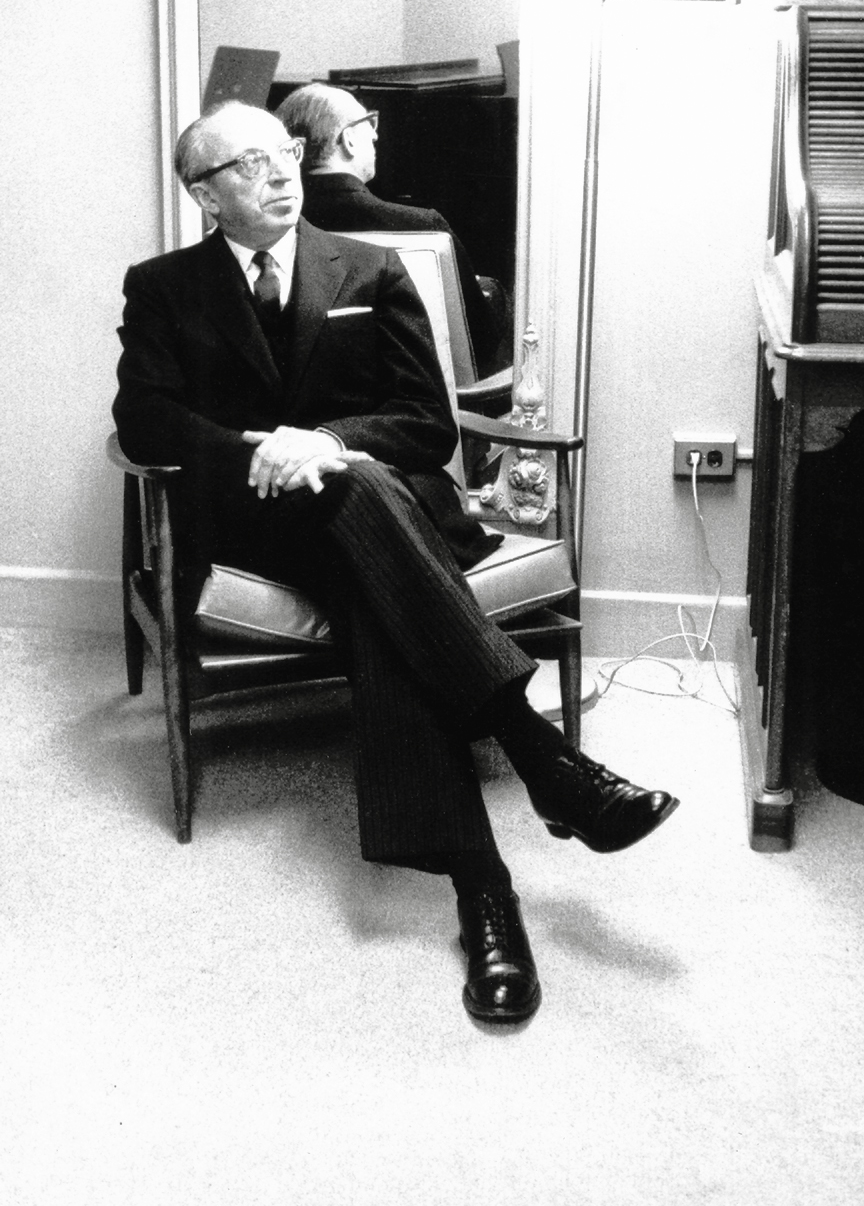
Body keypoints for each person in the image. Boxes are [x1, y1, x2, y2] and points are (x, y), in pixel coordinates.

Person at [113, 101, 679, 1025]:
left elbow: (426, 423)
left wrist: (327, 442)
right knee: (359, 508)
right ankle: (545, 762)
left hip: (377, 517)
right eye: (250, 163)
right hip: (258, 523)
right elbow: (144, 420)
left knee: (361, 504)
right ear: (205, 195)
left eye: (285, 151)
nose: (281, 172)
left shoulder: (370, 268)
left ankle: (484, 887)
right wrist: (261, 448)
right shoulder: (163, 287)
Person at [275, 82, 507, 375]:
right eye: (368, 123)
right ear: (348, 140)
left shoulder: (274, 228)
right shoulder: (423, 226)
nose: (375, 134)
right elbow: (480, 343)